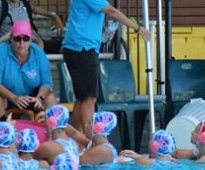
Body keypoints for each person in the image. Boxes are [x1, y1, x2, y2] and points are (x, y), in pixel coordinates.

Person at [61, 0, 151, 134]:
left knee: (83, 97)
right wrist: (138, 28)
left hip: (79, 48)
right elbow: (111, 11)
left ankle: (77, 140)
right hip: (82, 48)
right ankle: (89, 140)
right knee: (89, 98)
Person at [0, 21, 56, 122]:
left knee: (50, 98)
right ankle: (0, 134)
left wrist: (39, 98)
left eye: (25, 39)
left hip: (30, 94)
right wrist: (14, 98)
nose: (21, 43)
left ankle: (53, 134)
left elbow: (46, 83)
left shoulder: (38, 53)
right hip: (5, 94)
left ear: (30, 40)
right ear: (10, 38)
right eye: (17, 39)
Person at [0, 0, 65, 48]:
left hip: (32, 41)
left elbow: (34, 8)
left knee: (66, 46)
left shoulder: (23, 4)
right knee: (39, 43)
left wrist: (54, 16)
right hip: (12, 43)